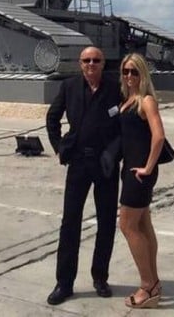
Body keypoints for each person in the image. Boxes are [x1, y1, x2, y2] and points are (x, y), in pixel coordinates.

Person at [45, 46, 122, 306]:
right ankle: (64, 283)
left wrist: (115, 152)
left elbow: (125, 125)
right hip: (78, 162)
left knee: (107, 222)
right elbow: (52, 118)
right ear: (80, 64)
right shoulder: (69, 87)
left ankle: (100, 277)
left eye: (96, 60)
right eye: (86, 60)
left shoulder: (115, 88)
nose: (91, 64)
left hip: (105, 164)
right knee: (70, 223)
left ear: (103, 63)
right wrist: (58, 148)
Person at [116, 53, 166, 309]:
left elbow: (158, 136)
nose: (129, 76)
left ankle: (147, 286)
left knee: (127, 226)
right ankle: (154, 282)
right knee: (143, 225)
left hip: (140, 173)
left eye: (134, 71)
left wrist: (148, 167)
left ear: (143, 74)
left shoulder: (146, 101)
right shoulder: (127, 100)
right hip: (132, 170)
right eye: (126, 71)